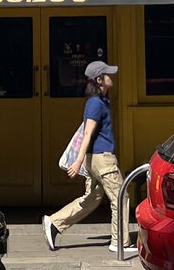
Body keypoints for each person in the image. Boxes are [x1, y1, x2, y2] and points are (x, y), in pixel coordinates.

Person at [42, 60, 129, 254]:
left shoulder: (101, 101)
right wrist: (78, 161)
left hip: (96, 159)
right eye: (108, 74)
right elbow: (87, 134)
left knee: (92, 198)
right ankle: (119, 242)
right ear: (99, 79)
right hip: (102, 159)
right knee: (121, 198)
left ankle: (55, 222)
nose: (111, 76)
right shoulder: (96, 104)